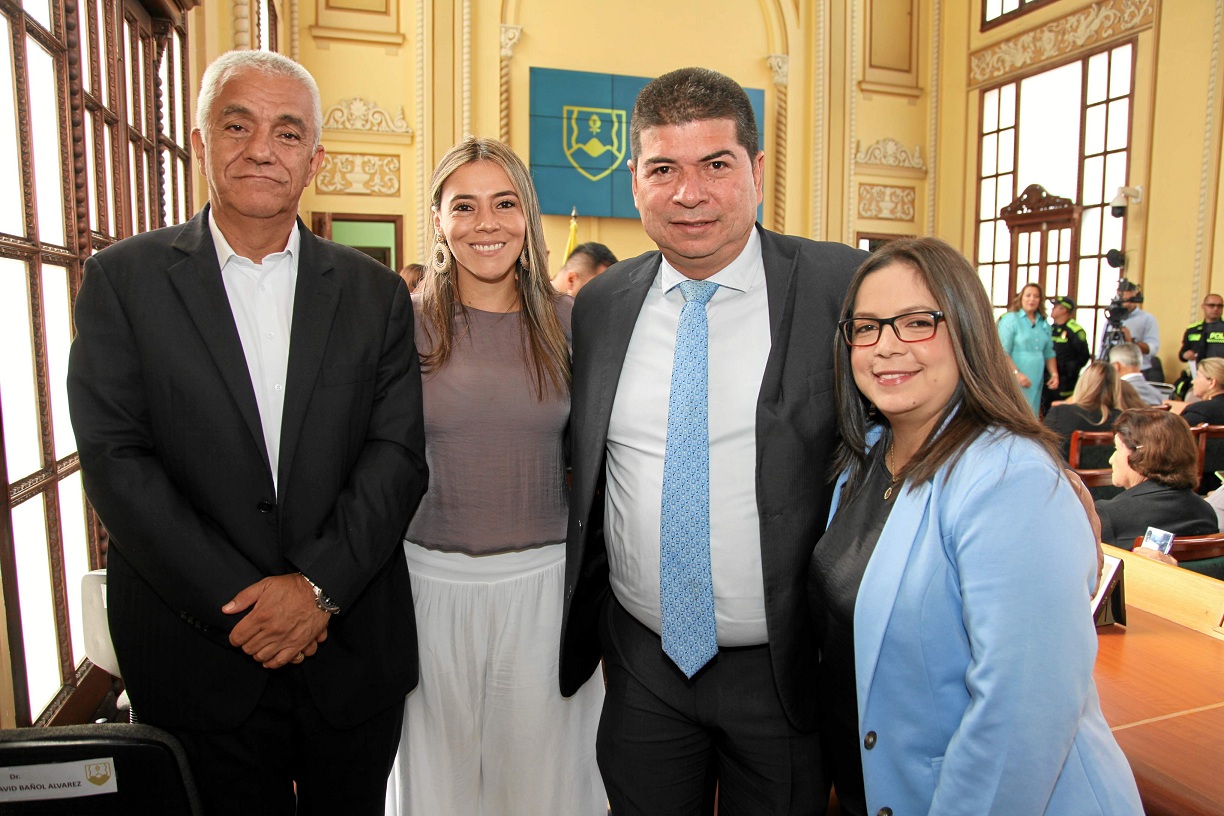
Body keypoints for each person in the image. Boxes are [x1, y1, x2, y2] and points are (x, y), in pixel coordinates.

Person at [66, 51, 428, 815]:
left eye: (287, 132)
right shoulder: (122, 281)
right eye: (238, 124)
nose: (261, 148)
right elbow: (116, 460)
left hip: (350, 643)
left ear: (314, 159)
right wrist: (248, 605)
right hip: (196, 651)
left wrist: (316, 589)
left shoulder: (375, 293)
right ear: (200, 142)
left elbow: (394, 457)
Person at [560, 67, 865, 814]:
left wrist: (1035, 467)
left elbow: (928, 396)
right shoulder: (600, 306)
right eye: (663, 169)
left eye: (715, 166)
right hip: (644, 665)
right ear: (634, 181)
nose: (688, 194)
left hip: (785, 674)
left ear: (757, 173)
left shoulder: (842, 285)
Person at [809, 236, 1142, 816]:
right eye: (866, 328)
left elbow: (1022, 714)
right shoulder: (863, 458)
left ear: (965, 329)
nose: (886, 347)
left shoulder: (1011, 478)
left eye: (916, 322)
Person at [388, 137, 605, 815]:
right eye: (466, 206)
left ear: (528, 215)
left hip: (544, 592)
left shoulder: (574, 325)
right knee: (438, 791)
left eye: (504, 203)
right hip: (426, 587)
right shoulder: (403, 328)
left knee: (543, 790)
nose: (487, 223)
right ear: (439, 221)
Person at [1095, 408, 1218, 549]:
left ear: (1139, 454)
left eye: (1117, 448)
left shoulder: (1108, 516)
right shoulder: (1206, 513)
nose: (1111, 459)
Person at [1043, 360, 1125, 461]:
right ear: (1116, 387)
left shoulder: (1060, 412)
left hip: (1066, 475)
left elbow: (1041, 451)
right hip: (1108, 476)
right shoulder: (1123, 419)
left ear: (1082, 383)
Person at [997, 282, 1058, 415]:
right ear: (1021, 298)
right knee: (1016, 411)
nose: (1032, 299)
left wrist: (1054, 374)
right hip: (1015, 373)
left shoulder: (1044, 323)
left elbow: (1049, 352)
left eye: (1036, 296)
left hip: (1036, 375)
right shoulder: (1010, 320)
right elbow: (1002, 352)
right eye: (1028, 295)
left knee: (1032, 411)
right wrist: (1016, 374)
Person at [1179, 356, 1224, 492]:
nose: (1193, 381)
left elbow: (1169, 439)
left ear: (1212, 382)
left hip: (1198, 485)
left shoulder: (1200, 412)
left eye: (1198, 376)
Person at [1042, 295, 1091, 412]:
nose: (1052, 310)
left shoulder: (1074, 330)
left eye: (1055, 307)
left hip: (1066, 381)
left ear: (1064, 310)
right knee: (1046, 410)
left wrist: (1070, 369)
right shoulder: (1049, 329)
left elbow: (1084, 355)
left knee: (1063, 410)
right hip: (1047, 378)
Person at [1104, 281, 1161, 380]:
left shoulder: (1147, 319)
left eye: (1131, 300)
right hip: (1113, 371)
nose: (1127, 304)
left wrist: (1131, 341)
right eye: (1124, 300)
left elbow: (1152, 349)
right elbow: (1103, 345)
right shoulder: (1112, 319)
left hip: (1137, 372)